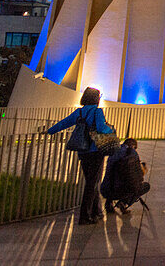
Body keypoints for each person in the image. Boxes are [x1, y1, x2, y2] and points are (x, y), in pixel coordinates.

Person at [46, 86, 116, 225]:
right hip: (95, 151)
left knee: (92, 181)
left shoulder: (79, 112)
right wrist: (111, 128)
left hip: (82, 151)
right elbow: (102, 128)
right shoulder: (97, 112)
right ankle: (85, 215)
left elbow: (64, 123)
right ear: (96, 99)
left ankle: (96, 212)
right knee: (92, 183)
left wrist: (49, 131)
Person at [101, 138, 150, 214]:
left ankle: (109, 204)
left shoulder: (114, 151)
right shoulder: (132, 153)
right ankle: (124, 202)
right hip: (120, 191)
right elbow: (136, 177)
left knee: (113, 177)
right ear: (133, 146)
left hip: (105, 190)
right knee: (145, 186)